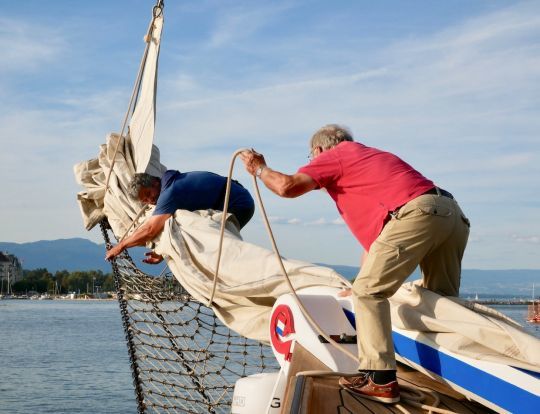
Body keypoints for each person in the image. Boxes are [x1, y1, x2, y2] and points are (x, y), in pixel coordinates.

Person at [240, 124, 469, 403]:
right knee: (440, 301)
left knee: (370, 292)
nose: (313, 165)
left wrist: (260, 169)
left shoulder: (336, 155)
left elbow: (287, 187)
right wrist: (359, 284)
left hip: (418, 212)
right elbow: (376, 245)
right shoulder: (366, 161)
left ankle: (381, 381)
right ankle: (463, 377)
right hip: (451, 214)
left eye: (312, 159)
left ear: (319, 150)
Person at [105, 170, 255, 262]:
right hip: (237, 199)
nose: (151, 201)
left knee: (214, 247)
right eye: (145, 200)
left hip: (238, 204)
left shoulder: (170, 192)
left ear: (155, 183)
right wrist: (162, 253)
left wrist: (121, 246)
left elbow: (150, 230)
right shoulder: (171, 183)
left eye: (149, 194)